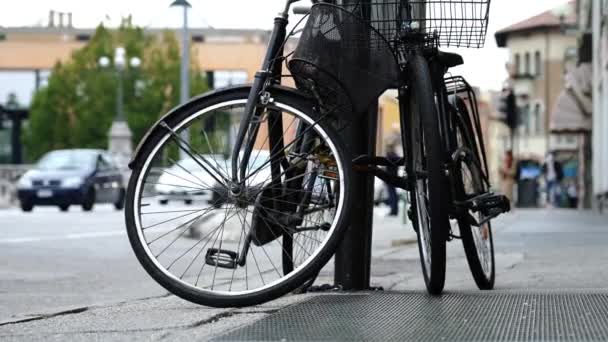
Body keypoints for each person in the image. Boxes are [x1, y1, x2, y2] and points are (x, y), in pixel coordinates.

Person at [385, 142, 400, 216]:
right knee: (393, 194)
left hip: (390, 178)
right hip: (393, 177)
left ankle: (393, 210)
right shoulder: (395, 156)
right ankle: (394, 210)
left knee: (392, 195)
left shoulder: (390, 156)